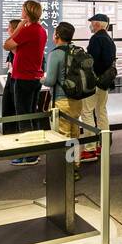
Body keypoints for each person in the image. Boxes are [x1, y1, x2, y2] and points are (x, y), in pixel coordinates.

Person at [40, 21, 85, 182]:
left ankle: (64, 173)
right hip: (77, 100)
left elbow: (50, 80)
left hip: (61, 100)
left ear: (57, 35)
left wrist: (40, 79)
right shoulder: (77, 51)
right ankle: (74, 168)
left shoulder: (55, 54)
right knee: (74, 135)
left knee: (62, 136)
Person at [3, 0, 47, 164]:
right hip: (34, 78)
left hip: (23, 78)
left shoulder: (28, 30)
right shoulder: (41, 30)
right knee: (30, 114)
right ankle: (34, 151)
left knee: (23, 116)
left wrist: (19, 28)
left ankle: (28, 154)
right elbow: (19, 49)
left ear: (27, 12)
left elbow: (6, 45)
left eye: (22, 9)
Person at [82, 13, 118, 162]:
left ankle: (89, 149)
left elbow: (91, 62)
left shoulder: (96, 39)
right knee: (101, 112)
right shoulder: (109, 40)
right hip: (105, 82)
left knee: (87, 112)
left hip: (94, 82)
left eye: (92, 23)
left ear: (97, 24)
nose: (90, 25)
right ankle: (102, 145)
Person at [0, 17, 20, 136]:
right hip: (13, 78)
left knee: (12, 108)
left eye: (9, 27)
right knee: (8, 108)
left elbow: (7, 45)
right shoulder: (15, 45)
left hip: (17, 79)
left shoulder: (16, 44)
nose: (7, 29)